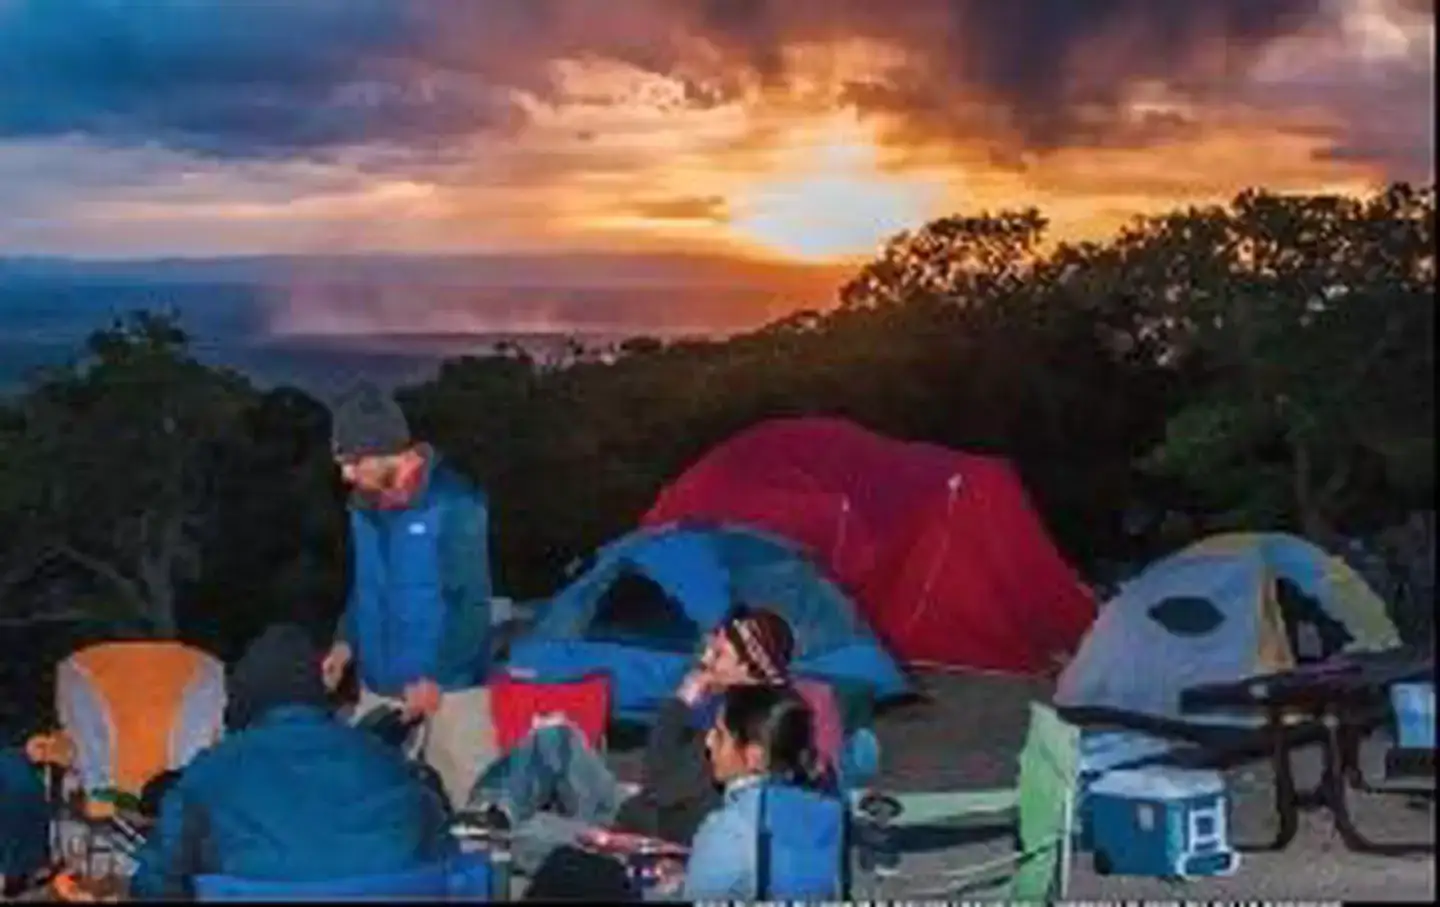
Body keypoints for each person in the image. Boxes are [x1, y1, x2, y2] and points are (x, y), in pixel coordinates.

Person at [466, 606, 844, 875]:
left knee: (531, 832)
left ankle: (490, 834)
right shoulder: (761, 705)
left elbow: (659, 783)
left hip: (644, 842)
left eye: (719, 654)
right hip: (641, 811)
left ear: (750, 669)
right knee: (556, 738)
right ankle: (491, 811)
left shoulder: (741, 730)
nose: (706, 659)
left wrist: (679, 703)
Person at [129, 624, 457, 900]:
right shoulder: (388, 761)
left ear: (245, 700)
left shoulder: (213, 771)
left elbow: (154, 884)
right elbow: (447, 861)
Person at [320, 382, 497, 809]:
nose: (346, 475)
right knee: (362, 801)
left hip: (449, 692)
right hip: (378, 684)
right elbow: (365, 586)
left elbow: (471, 604)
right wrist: (345, 642)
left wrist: (438, 676)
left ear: (386, 451)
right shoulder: (362, 507)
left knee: (471, 808)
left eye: (352, 461)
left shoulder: (454, 504)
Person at [681, 683, 840, 900]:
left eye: (720, 734)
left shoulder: (728, 827)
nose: (708, 742)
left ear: (754, 756)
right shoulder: (830, 810)